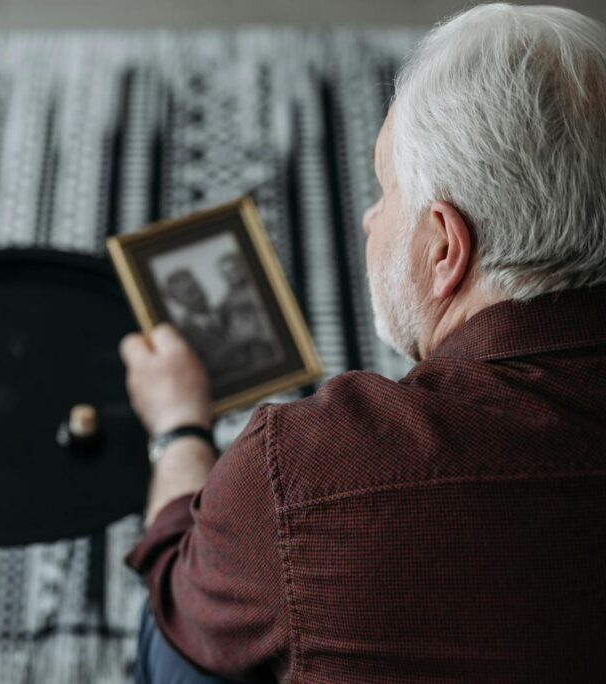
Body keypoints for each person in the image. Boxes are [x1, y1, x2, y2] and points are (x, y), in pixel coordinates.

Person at [119, 4, 606, 683]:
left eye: (385, 190)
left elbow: (177, 608)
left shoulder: (303, 467)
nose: (371, 217)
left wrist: (178, 433)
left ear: (444, 248)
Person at [162, 268, 237, 377]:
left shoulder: (228, 309)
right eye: (190, 291)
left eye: (197, 286)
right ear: (177, 300)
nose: (199, 293)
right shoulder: (183, 334)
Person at [215, 253, 282, 371]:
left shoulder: (267, 284)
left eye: (235, 269)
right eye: (227, 273)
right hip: (256, 348)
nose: (232, 275)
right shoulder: (226, 304)